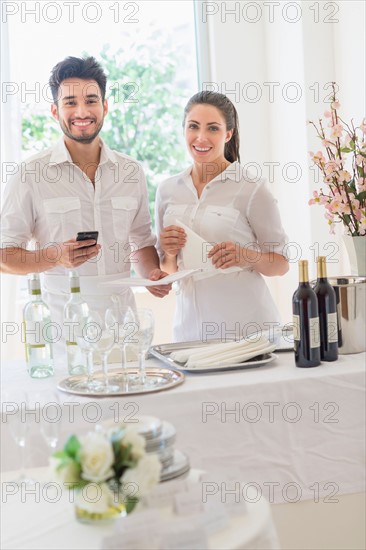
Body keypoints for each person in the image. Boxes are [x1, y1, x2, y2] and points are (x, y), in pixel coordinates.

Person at [0, 56, 170, 343]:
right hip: (64, 333)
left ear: (104, 107)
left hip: (123, 330)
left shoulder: (131, 172)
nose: (82, 111)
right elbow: (5, 256)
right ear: (55, 111)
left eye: (91, 100)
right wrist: (54, 255)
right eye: (70, 102)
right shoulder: (31, 174)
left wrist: (152, 274)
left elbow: (140, 243)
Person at [155, 91, 289, 342]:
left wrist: (246, 256)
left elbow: (281, 264)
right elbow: (168, 268)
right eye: (193, 126)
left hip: (248, 332)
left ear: (228, 134)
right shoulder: (167, 190)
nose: (201, 137)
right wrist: (170, 251)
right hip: (189, 333)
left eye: (213, 128)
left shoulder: (251, 188)